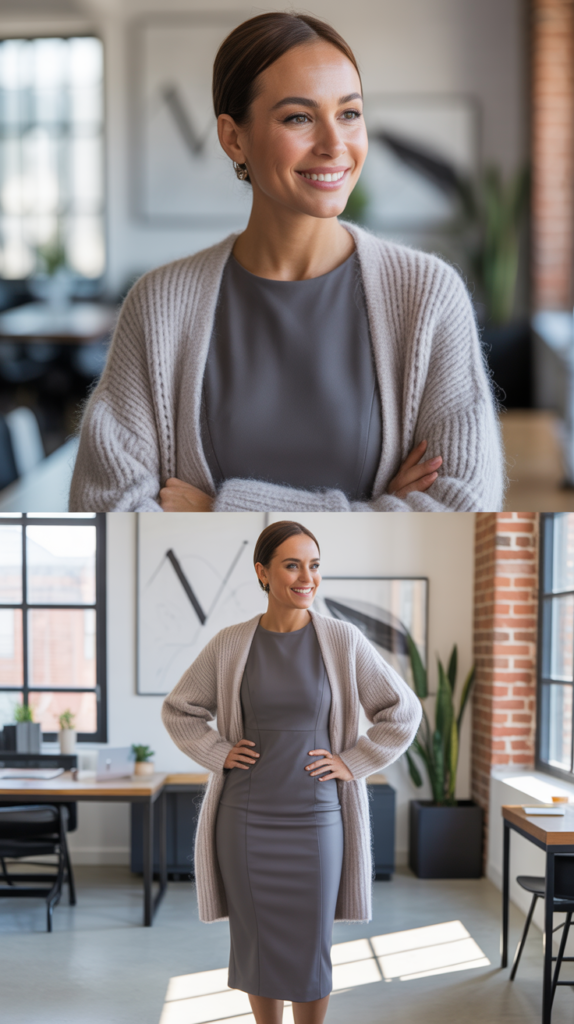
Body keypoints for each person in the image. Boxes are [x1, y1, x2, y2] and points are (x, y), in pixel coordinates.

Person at [69, 12, 504, 513]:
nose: (334, 144)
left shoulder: (427, 295)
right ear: (234, 138)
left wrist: (220, 512)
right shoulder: (160, 305)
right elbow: (104, 508)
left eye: (349, 114)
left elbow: (464, 507)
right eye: (299, 117)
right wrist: (383, 512)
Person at [161, 520, 421, 1024]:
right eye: (292, 564)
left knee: (311, 945)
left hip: (318, 819)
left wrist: (352, 762)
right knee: (256, 944)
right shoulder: (230, 643)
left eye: (315, 565)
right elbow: (180, 709)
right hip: (245, 819)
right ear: (262, 572)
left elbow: (401, 711)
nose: (308, 577)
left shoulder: (342, 640)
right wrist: (218, 752)